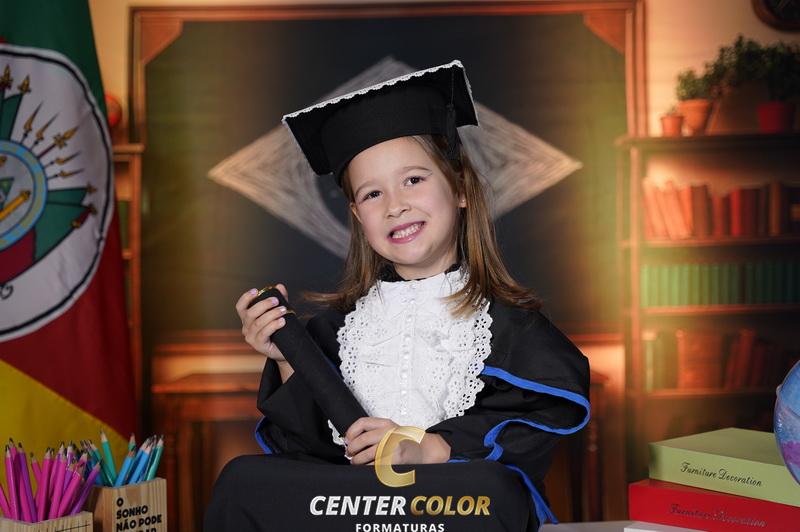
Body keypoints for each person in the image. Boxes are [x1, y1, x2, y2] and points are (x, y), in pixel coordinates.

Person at [204, 60, 590, 532]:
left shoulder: (509, 326)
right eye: (372, 194)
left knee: (493, 490)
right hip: (355, 508)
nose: (395, 205)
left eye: (413, 180)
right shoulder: (335, 332)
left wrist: (428, 448)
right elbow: (309, 451)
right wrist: (287, 359)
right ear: (357, 216)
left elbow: (534, 423)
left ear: (460, 187)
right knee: (243, 479)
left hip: (444, 506)